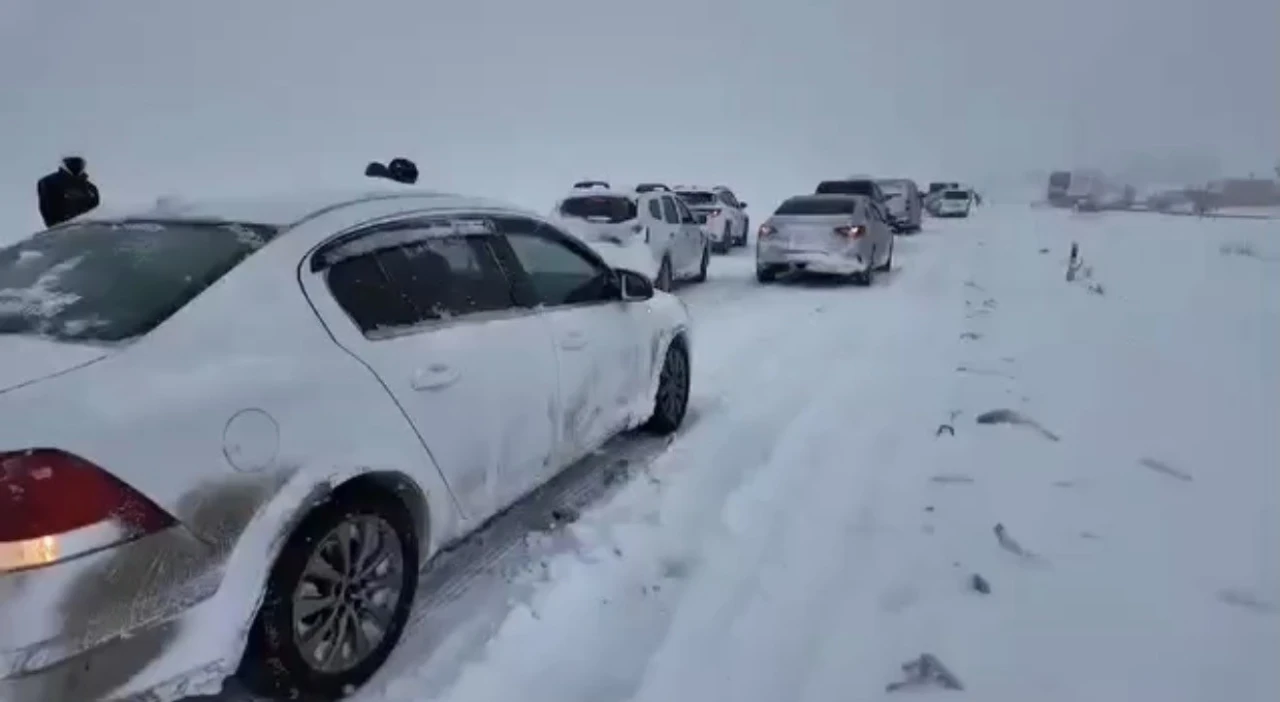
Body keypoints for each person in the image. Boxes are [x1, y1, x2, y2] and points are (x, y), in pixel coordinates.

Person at [37, 156, 101, 227]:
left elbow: (96, 211)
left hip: (88, 228)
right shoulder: (49, 182)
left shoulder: (91, 188)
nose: (75, 165)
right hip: (62, 228)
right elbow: (47, 210)